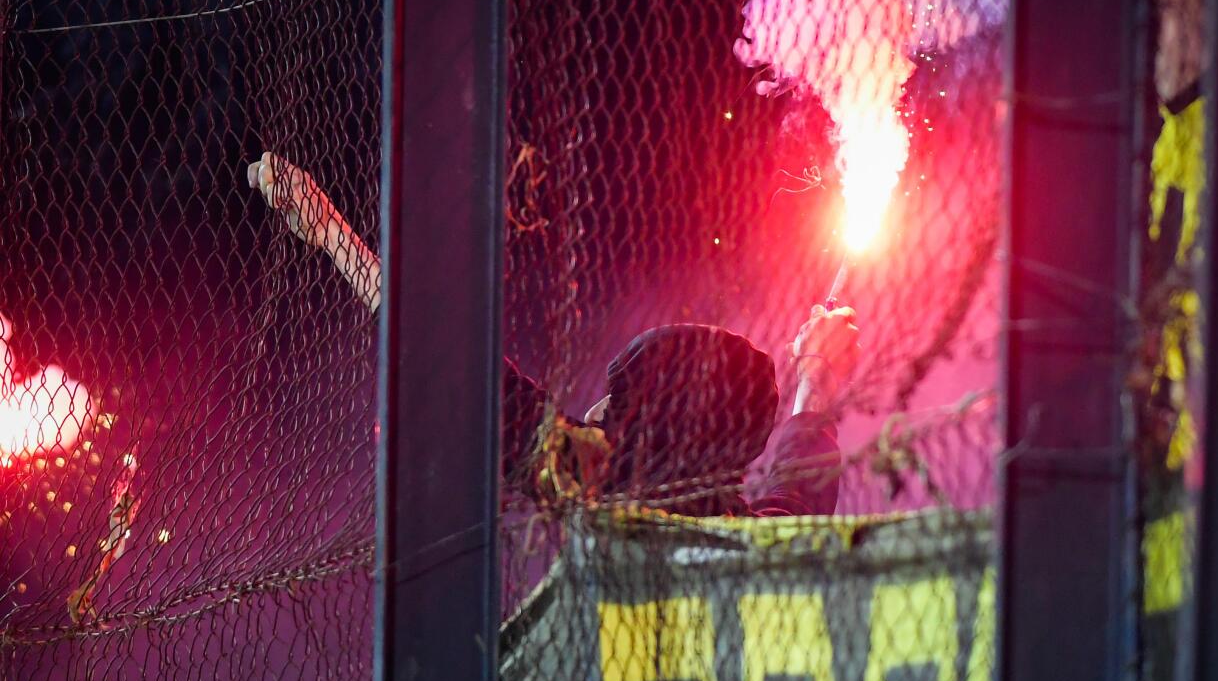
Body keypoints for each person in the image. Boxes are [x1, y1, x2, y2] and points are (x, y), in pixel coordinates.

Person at [246, 152, 859, 516]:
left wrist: (334, 237)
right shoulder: (749, 544)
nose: (599, 404)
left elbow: (456, 372)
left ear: (658, 428)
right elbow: (794, 496)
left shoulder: (607, 488)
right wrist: (814, 385)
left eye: (624, 399)